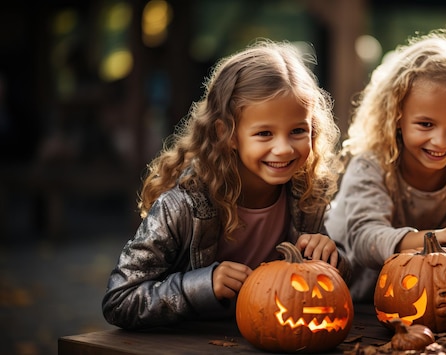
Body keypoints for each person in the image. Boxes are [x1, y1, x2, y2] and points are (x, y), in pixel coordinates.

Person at [102, 40, 350, 329]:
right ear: (227, 133)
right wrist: (203, 285)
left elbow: (330, 289)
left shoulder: (308, 196)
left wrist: (332, 259)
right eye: (264, 133)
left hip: (275, 336)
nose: (283, 149)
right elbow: (119, 301)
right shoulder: (183, 206)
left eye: (298, 131)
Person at [324, 29, 446, 302]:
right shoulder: (371, 165)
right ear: (396, 116)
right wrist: (435, 238)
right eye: (426, 124)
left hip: (423, 304)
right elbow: (365, 241)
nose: (441, 141)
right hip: (351, 302)